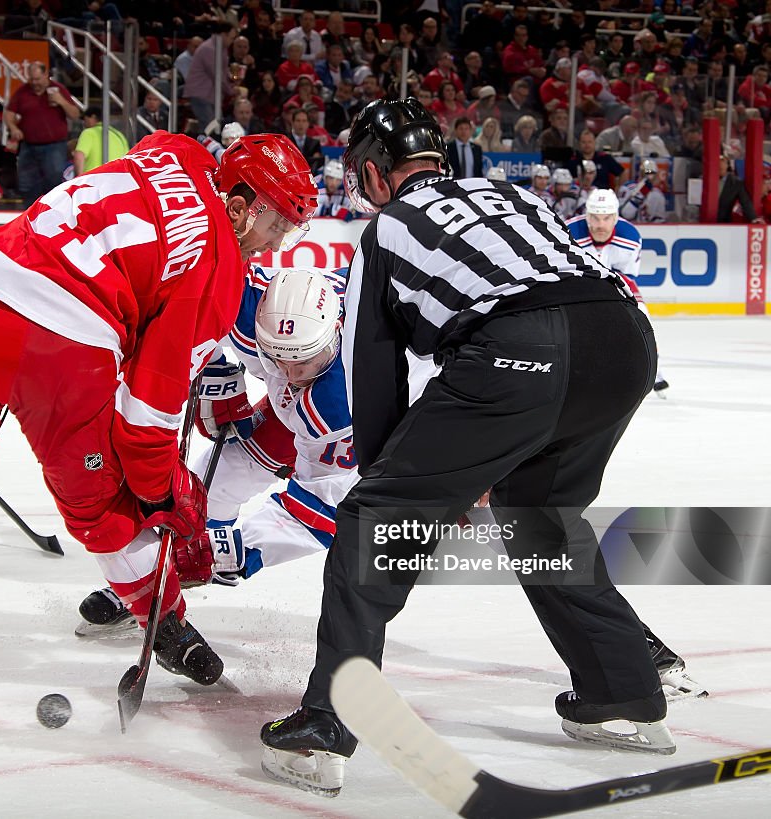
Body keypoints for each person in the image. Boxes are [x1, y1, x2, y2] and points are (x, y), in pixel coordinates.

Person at [0, 132, 319, 706]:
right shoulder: (219, 273)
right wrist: (166, 495)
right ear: (240, 209)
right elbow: (146, 419)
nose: (274, 246)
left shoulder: (175, 152)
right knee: (103, 506)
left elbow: (157, 173)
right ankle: (163, 622)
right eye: (277, 227)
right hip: (61, 345)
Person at [260, 98, 672, 796]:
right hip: (625, 341)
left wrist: (405, 489)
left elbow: (376, 376)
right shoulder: (513, 193)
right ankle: (624, 694)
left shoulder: (385, 231)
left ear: (374, 174)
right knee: (540, 518)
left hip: (522, 348)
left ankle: (329, 723)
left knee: (371, 518)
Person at [78, 267, 359, 631]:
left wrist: (236, 551)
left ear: (335, 333)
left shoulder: (343, 403)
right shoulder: (248, 304)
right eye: (276, 359)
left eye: (303, 362)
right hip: (300, 407)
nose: (289, 374)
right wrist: (211, 367)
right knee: (211, 483)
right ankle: (160, 575)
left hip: (382, 425)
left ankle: (196, 564)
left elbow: (320, 509)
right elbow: (187, 301)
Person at [567, 189, 671, 395]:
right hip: (578, 285)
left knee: (643, 316)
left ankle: (654, 369)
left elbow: (628, 278)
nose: (599, 225)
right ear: (587, 216)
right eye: (595, 218)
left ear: (615, 217)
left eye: (606, 218)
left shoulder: (630, 237)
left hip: (616, 283)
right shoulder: (568, 232)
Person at [5, 62, 82, 208]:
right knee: (26, 183)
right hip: (28, 145)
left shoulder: (58, 90)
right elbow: (8, 114)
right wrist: (13, 128)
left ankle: (53, 212)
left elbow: (75, 114)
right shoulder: (23, 91)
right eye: (32, 80)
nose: (35, 83)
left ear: (46, 75)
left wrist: (61, 101)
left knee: (53, 181)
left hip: (54, 146)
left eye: (38, 79)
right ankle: (29, 213)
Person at [617, 159, 666, 223]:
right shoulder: (627, 188)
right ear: (640, 173)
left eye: (652, 173)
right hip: (629, 227)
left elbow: (659, 220)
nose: (649, 176)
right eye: (647, 172)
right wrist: (639, 195)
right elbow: (625, 214)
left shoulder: (657, 194)